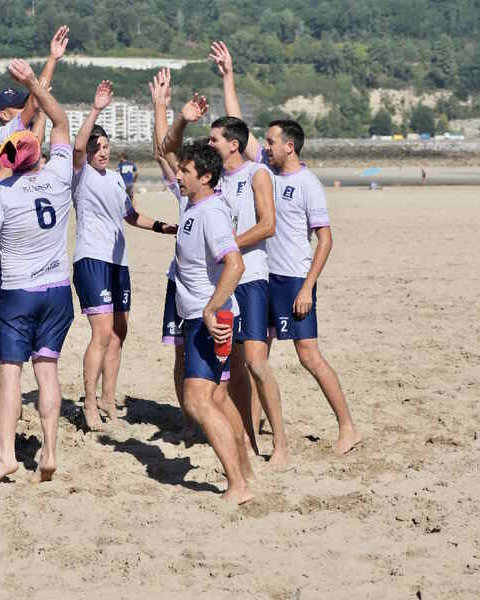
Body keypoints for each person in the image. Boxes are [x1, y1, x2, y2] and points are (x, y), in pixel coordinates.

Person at [211, 40, 361, 455]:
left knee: (309, 356)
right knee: (257, 360)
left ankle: (347, 427)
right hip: (265, 277)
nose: (267, 146)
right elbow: (239, 128)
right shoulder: (267, 172)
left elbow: (325, 238)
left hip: (294, 279)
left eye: (273, 142)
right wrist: (228, 76)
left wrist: (308, 287)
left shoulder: (307, 184)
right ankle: (255, 429)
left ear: (289, 146)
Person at [0, 58, 74, 484]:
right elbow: (61, 119)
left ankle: (8, 455)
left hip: (18, 293)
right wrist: (35, 80)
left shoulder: (0, 191)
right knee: (47, 371)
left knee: (10, 372)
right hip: (58, 291)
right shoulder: (60, 174)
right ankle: (49, 451)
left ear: (9, 159)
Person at [72, 80, 177, 430]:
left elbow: (130, 216)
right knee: (101, 333)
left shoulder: (117, 179)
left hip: (119, 264)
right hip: (92, 260)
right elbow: (75, 146)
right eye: (96, 147)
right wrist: (96, 109)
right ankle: (88, 404)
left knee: (119, 333)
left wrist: (164, 226)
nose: (102, 151)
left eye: (105, 146)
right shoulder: (82, 175)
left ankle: (108, 399)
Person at [166, 136, 254, 505]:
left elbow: (236, 264)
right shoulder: (193, 204)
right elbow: (164, 148)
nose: (178, 175)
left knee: (198, 399)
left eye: (185, 171)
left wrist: (210, 307)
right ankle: (246, 470)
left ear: (204, 176)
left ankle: (237, 484)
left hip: (210, 318)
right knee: (218, 397)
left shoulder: (211, 213)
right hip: (199, 315)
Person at [207, 114, 288, 467]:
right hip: (225, 280)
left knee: (256, 361)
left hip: (252, 277)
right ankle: (248, 441)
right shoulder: (215, 181)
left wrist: (229, 246)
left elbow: (268, 225)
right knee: (234, 364)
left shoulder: (257, 173)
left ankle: (281, 445)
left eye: (214, 140)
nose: (209, 145)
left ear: (233, 144)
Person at [149, 68, 197, 442]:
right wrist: (160, 105)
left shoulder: (221, 192)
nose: (181, 174)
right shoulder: (184, 191)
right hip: (177, 282)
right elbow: (162, 151)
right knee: (181, 356)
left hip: (210, 286)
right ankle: (189, 420)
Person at [0, 26, 69, 146]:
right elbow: (34, 101)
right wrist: (52, 59)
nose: (25, 107)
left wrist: (42, 108)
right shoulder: (3, 133)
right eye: (20, 106)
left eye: (25, 103)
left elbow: (35, 146)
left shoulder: (26, 131)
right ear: (4, 115)